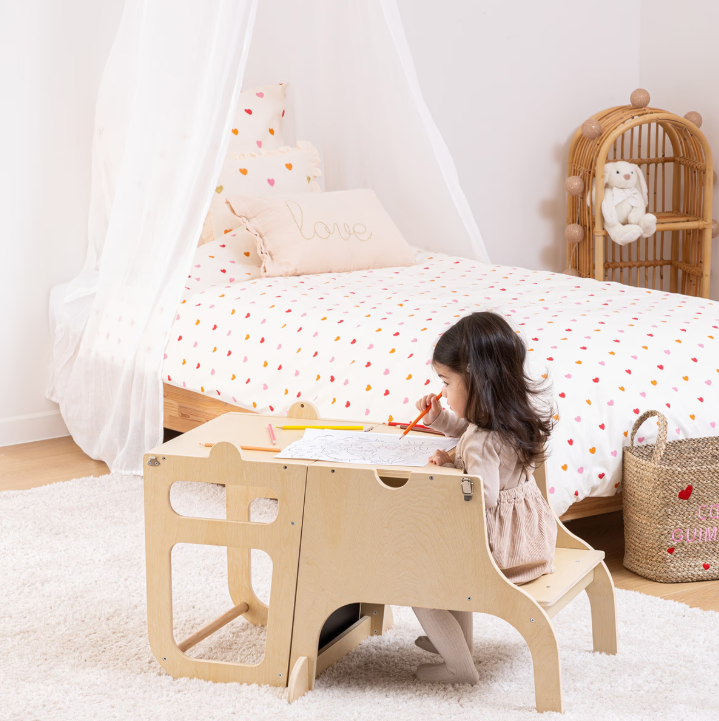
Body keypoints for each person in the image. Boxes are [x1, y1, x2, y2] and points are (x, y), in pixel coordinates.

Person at [412, 311, 556, 684]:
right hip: (529, 543)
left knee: (418, 581)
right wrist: (439, 419)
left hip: (498, 555)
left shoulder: (480, 443)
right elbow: (469, 431)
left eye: (446, 383)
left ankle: (458, 666)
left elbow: (481, 499)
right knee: (446, 568)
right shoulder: (510, 419)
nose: (443, 393)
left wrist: (447, 469)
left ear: (477, 380)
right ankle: (457, 643)